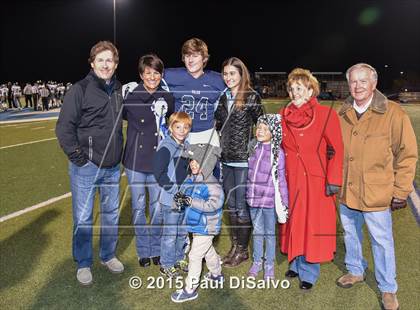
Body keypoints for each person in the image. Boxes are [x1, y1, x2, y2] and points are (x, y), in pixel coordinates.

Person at [336, 63, 417, 310]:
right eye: (353, 81)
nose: (357, 86)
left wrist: (401, 190)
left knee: (381, 241)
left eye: (363, 81)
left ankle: (388, 288)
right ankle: (355, 269)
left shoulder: (393, 112)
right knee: (350, 233)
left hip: (377, 191)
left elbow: (408, 154)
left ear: (374, 84)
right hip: (347, 189)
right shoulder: (341, 112)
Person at [55, 41, 124, 286]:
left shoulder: (118, 89)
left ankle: (107, 255)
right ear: (92, 62)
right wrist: (80, 160)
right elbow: (64, 129)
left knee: (111, 215)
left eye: (110, 61)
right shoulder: (80, 89)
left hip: (113, 167)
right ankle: (84, 262)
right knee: (83, 218)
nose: (106, 65)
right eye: (101, 60)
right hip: (88, 167)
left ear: (116, 65)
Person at [279, 68, 343, 290]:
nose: (295, 92)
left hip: (314, 181)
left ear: (310, 90)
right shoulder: (282, 115)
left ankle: (309, 271)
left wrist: (333, 179)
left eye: (300, 88)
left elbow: (337, 149)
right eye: (292, 88)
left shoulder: (326, 115)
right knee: (293, 222)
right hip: (290, 178)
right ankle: (296, 263)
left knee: (311, 224)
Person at [123, 54, 174, 268]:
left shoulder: (167, 97)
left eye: (156, 72)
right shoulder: (131, 95)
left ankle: (155, 249)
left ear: (160, 74)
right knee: (138, 207)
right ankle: (143, 251)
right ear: (141, 74)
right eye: (148, 73)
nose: (152, 76)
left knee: (156, 209)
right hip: (135, 160)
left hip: (156, 161)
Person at [214, 57, 263, 267]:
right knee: (232, 206)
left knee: (242, 207)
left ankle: (242, 251)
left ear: (241, 75)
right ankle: (235, 247)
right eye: (225, 74)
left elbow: (262, 124)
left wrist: (251, 147)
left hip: (243, 161)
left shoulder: (251, 96)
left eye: (232, 73)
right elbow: (218, 123)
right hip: (226, 159)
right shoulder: (223, 97)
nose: (228, 78)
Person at [170, 143, 224, 303]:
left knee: (194, 255)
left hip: (207, 226)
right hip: (196, 225)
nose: (193, 164)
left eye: (197, 161)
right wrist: (178, 201)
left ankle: (190, 289)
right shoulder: (191, 179)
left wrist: (191, 201)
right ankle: (216, 274)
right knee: (207, 251)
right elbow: (182, 195)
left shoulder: (211, 183)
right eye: (192, 161)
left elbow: (214, 204)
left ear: (207, 164)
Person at [246, 114, 288, 280]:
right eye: (259, 128)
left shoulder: (278, 154)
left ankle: (269, 264)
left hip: (268, 202)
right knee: (257, 232)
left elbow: (281, 179)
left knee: (270, 233)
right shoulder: (253, 148)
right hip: (253, 199)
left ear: (274, 132)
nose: (260, 131)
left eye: (265, 129)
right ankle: (257, 261)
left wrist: (285, 202)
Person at [162, 38, 225, 144]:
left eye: (195, 56)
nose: (190, 60)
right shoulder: (171, 75)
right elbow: (151, 76)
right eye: (187, 56)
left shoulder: (217, 79)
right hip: (179, 134)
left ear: (204, 59)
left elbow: (238, 87)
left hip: (206, 134)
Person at [153, 112, 192, 278]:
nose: (182, 130)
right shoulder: (166, 146)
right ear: (170, 127)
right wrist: (174, 191)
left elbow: (187, 170)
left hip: (183, 199)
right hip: (171, 200)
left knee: (182, 232)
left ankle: (178, 258)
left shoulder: (187, 145)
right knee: (170, 234)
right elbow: (159, 173)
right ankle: (166, 264)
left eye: (185, 127)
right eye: (178, 127)